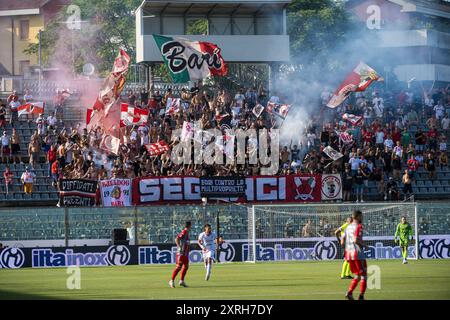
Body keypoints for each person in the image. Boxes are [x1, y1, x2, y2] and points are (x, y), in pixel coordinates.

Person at [342, 210, 368, 300]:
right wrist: (365, 245)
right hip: (357, 254)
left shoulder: (348, 227)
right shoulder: (359, 226)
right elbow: (356, 240)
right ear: (357, 217)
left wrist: (346, 248)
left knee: (357, 275)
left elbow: (342, 241)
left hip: (349, 254)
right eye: (361, 216)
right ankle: (361, 296)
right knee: (364, 275)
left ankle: (349, 293)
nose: (362, 218)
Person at [169, 221, 192, 288]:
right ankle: (171, 281)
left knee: (186, 266)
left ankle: (181, 281)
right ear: (189, 226)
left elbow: (186, 242)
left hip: (185, 254)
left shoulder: (187, 233)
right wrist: (179, 247)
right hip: (181, 253)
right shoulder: (184, 232)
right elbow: (177, 239)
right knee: (178, 267)